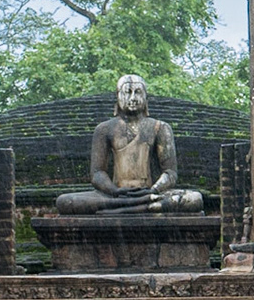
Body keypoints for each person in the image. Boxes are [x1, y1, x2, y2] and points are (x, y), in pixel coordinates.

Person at [55, 74, 205, 215]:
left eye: (138, 92)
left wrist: (154, 189)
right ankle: (142, 206)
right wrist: (114, 191)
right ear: (118, 97)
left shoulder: (160, 128)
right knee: (65, 201)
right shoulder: (104, 129)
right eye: (127, 92)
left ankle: (131, 206)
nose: (132, 98)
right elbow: (97, 173)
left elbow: (170, 173)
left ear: (146, 98)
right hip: (114, 195)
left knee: (194, 199)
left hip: (150, 193)